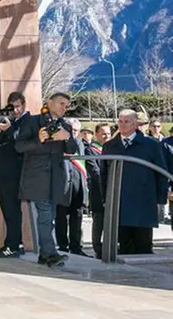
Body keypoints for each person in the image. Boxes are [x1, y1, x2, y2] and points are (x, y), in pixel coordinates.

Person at [15, 92, 77, 268]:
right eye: (60, 103)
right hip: (36, 177)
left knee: (49, 217)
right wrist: (39, 139)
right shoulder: (32, 121)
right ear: (49, 103)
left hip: (56, 178)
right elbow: (19, 146)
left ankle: (45, 254)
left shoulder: (65, 125)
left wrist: (67, 137)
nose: (64, 108)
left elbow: (72, 149)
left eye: (66, 105)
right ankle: (50, 253)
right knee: (45, 215)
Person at [101, 110, 168, 254]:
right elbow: (104, 175)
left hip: (144, 202)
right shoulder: (110, 146)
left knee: (143, 246)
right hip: (120, 202)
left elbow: (161, 173)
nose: (123, 125)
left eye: (127, 121)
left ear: (135, 124)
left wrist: (160, 200)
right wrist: (106, 198)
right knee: (124, 245)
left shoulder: (151, 145)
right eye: (120, 121)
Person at [0, 92, 29, 258]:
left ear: (24, 105)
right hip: (2, 170)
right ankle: (12, 243)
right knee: (6, 208)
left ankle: (13, 244)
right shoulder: (9, 121)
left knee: (12, 209)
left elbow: (20, 142)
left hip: (15, 171)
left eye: (18, 106)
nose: (16, 110)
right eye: (13, 107)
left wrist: (9, 129)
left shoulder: (28, 121)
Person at [55, 119, 87, 256]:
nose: (73, 133)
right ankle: (63, 246)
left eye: (75, 131)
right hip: (63, 186)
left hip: (78, 186)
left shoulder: (80, 143)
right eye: (71, 130)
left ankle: (76, 246)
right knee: (61, 218)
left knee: (77, 217)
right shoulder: (58, 144)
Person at [86, 123, 111, 258]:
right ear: (96, 135)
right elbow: (94, 171)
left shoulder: (113, 148)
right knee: (98, 221)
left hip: (112, 190)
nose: (106, 136)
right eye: (103, 133)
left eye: (108, 133)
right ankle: (97, 247)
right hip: (98, 190)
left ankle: (110, 246)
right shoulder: (91, 150)